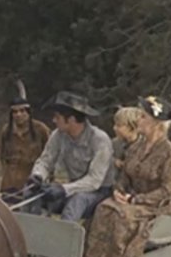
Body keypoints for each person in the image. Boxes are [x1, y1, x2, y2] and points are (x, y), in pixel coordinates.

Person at [81, 96, 171, 257]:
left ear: (156, 124)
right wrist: (119, 190)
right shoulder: (136, 147)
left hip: (159, 205)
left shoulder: (170, 153)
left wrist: (135, 199)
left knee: (123, 216)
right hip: (132, 201)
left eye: (143, 117)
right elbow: (124, 176)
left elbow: (167, 189)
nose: (138, 120)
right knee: (103, 209)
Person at [26, 91, 114, 221]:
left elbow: (94, 181)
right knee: (32, 195)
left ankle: (64, 239)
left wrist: (63, 188)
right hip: (73, 187)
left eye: (57, 117)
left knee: (75, 203)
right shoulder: (58, 135)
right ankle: (28, 234)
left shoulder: (100, 140)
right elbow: (46, 161)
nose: (53, 120)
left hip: (99, 191)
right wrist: (37, 176)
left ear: (71, 120)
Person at [0, 97, 50, 200]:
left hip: (32, 181)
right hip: (11, 181)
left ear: (28, 112)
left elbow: (49, 155)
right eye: (14, 112)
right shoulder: (6, 131)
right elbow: (2, 155)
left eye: (22, 111)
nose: (18, 115)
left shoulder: (40, 129)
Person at [112, 107, 141, 173]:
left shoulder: (145, 147)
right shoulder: (114, 144)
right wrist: (114, 162)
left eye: (119, 125)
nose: (114, 128)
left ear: (132, 127)